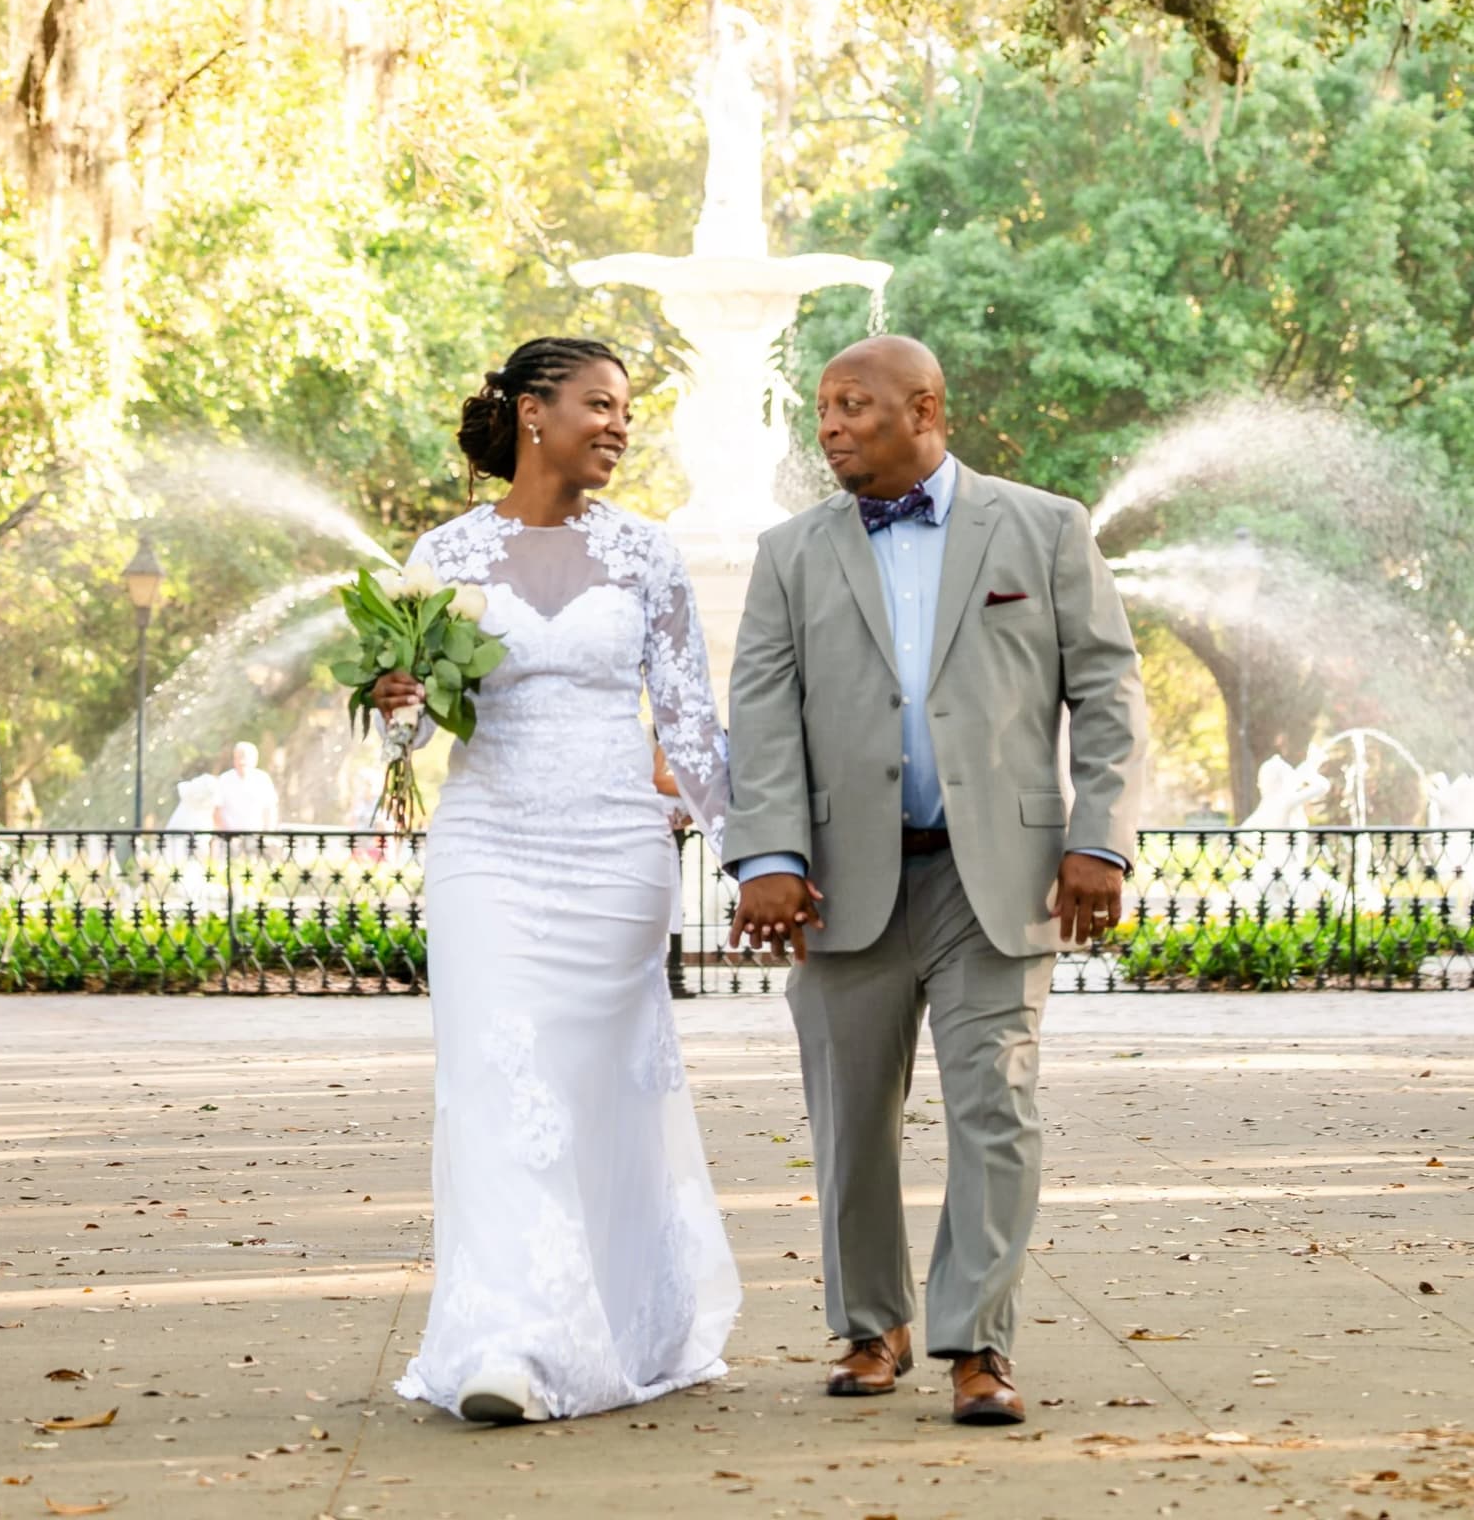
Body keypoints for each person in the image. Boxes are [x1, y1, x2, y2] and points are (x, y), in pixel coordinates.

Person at [725, 335, 1147, 1430]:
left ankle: (976, 1343)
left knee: (995, 1110)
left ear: (926, 408)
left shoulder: (1046, 529)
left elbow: (1108, 690)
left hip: (996, 879)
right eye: (822, 407)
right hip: (841, 883)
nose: (829, 425)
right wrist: (768, 857)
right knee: (850, 1120)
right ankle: (872, 1325)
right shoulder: (788, 553)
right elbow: (762, 716)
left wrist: (1100, 837)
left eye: (853, 405)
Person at [379, 336, 738, 1426]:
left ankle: (621, 1322)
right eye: (600, 405)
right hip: (487, 844)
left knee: (588, 1092)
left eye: (627, 410)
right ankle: (505, 1342)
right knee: (497, 1084)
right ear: (534, 413)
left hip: (616, 852)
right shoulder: (441, 555)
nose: (620, 426)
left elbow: (688, 724)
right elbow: (413, 736)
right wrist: (397, 705)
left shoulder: (647, 555)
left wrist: (758, 860)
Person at [212, 742, 280, 834]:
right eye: (237, 757)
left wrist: (267, 833)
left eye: (244, 757)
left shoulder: (263, 779)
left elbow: (270, 809)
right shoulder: (224, 779)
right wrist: (223, 833)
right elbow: (217, 810)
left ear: (255, 760)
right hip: (230, 837)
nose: (241, 761)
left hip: (256, 837)